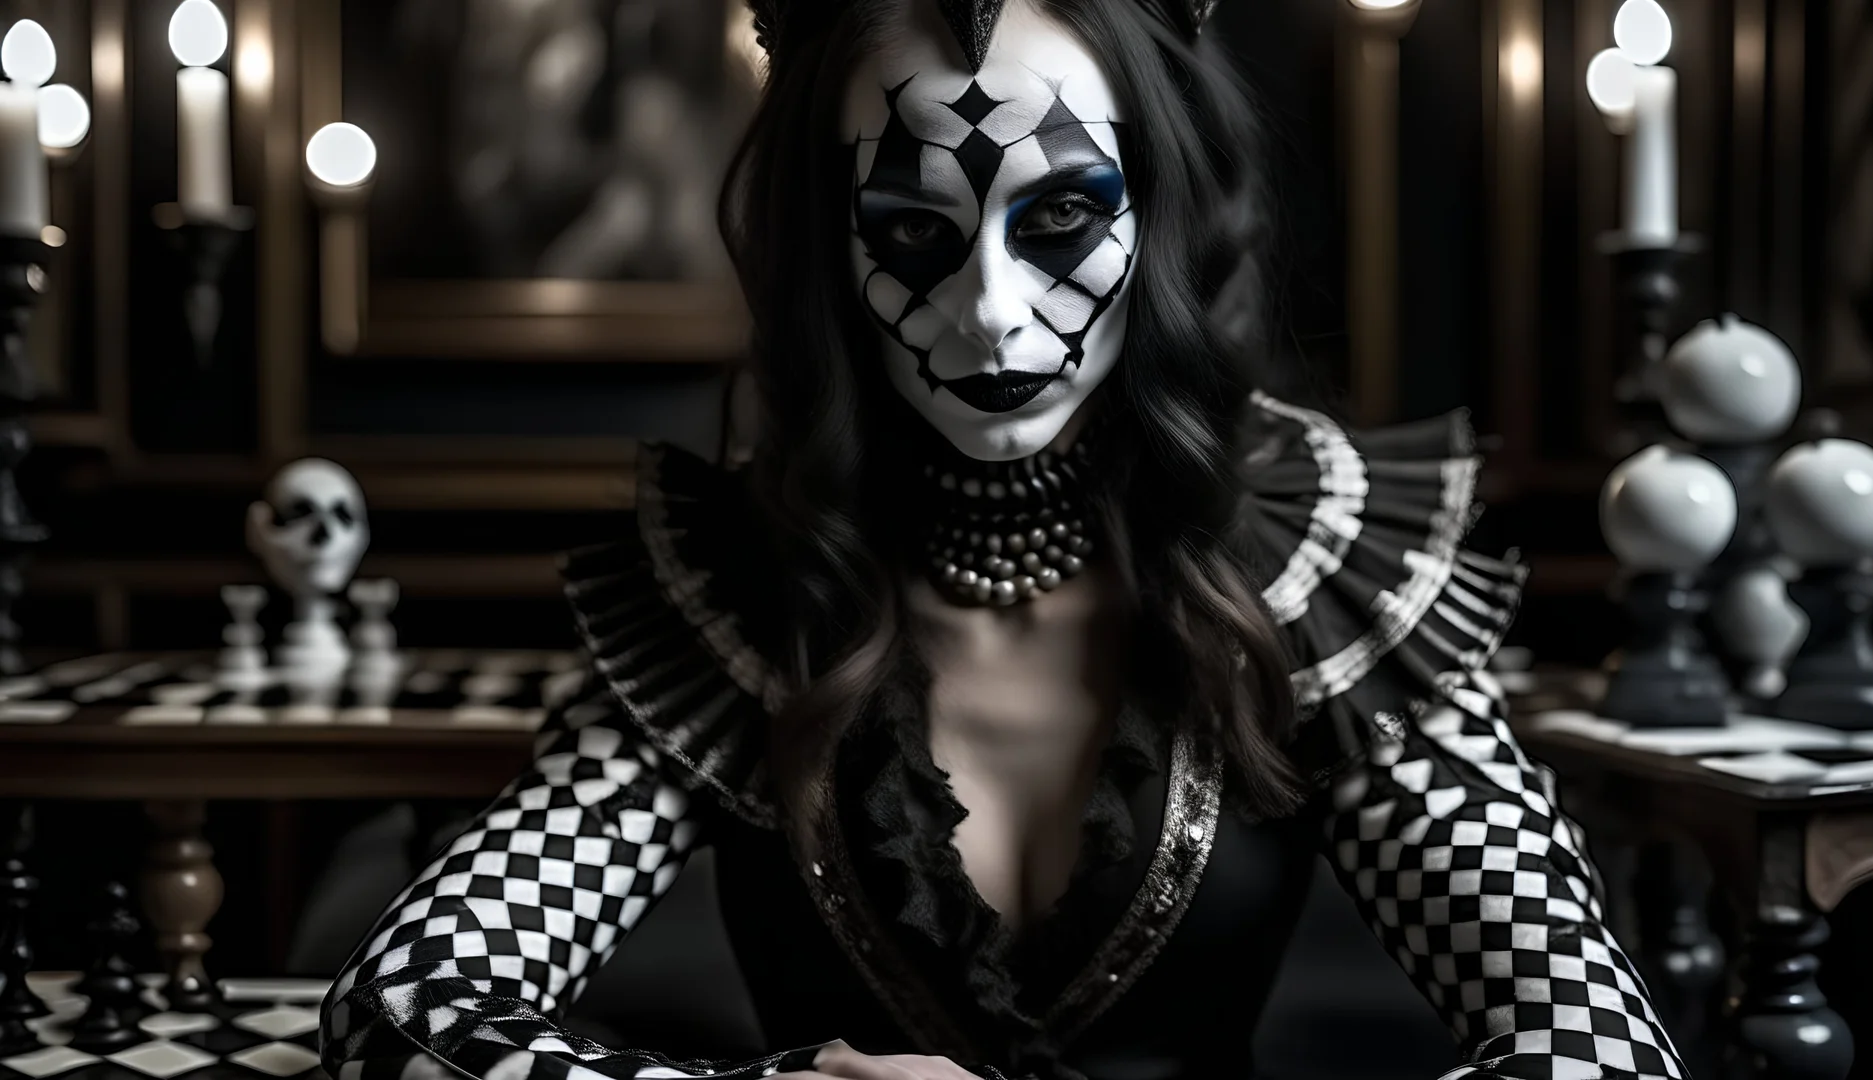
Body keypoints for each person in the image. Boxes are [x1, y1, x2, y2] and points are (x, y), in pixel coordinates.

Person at [319, 1, 1690, 1078]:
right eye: (913, 230)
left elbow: (1600, 1049)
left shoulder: (1319, 560)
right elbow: (404, 1008)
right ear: (825, 249)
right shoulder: (738, 588)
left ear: (1163, 213)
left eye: (1061, 218)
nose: (988, 310)